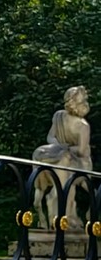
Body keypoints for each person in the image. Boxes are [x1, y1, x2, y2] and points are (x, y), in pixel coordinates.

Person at [32, 86, 92, 228]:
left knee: (67, 170)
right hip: (69, 158)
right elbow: (52, 138)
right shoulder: (68, 120)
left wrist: (64, 148)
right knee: (68, 171)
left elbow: (80, 151)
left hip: (73, 158)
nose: (85, 104)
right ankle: (63, 218)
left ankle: (65, 216)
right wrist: (62, 148)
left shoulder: (77, 123)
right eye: (83, 101)